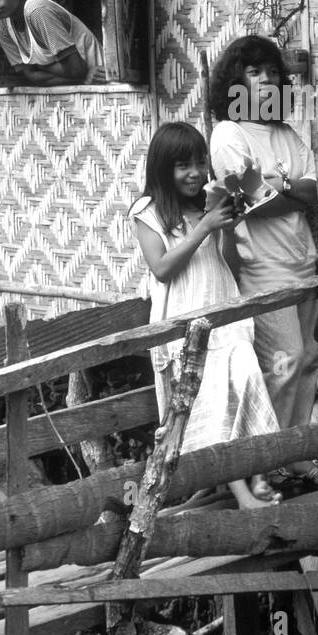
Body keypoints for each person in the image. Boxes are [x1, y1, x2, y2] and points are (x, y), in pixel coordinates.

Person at [128, 121, 280, 509]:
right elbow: (162, 268)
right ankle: (243, 495)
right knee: (212, 405)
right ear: (164, 168)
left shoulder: (209, 206)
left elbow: (230, 263)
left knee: (247, 380)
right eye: (183, 165)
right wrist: (204, 228)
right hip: (185, 324)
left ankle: (259, 477)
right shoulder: (146, 212)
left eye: (199, 163)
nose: (195, 173)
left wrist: (227, 229)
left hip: (223, 311)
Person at [208, 36, 318, 487]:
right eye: (255, 73)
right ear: (235, 83)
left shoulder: (285, 134)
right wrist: (288, 190)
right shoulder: (228, 134)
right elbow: (253, 203)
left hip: (303, 262)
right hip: (262, 269)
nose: (266, 81)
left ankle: (297, 455)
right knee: (284, 361)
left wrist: (282, 190)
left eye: (273, 73)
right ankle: (268, 459)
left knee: (308, 362)